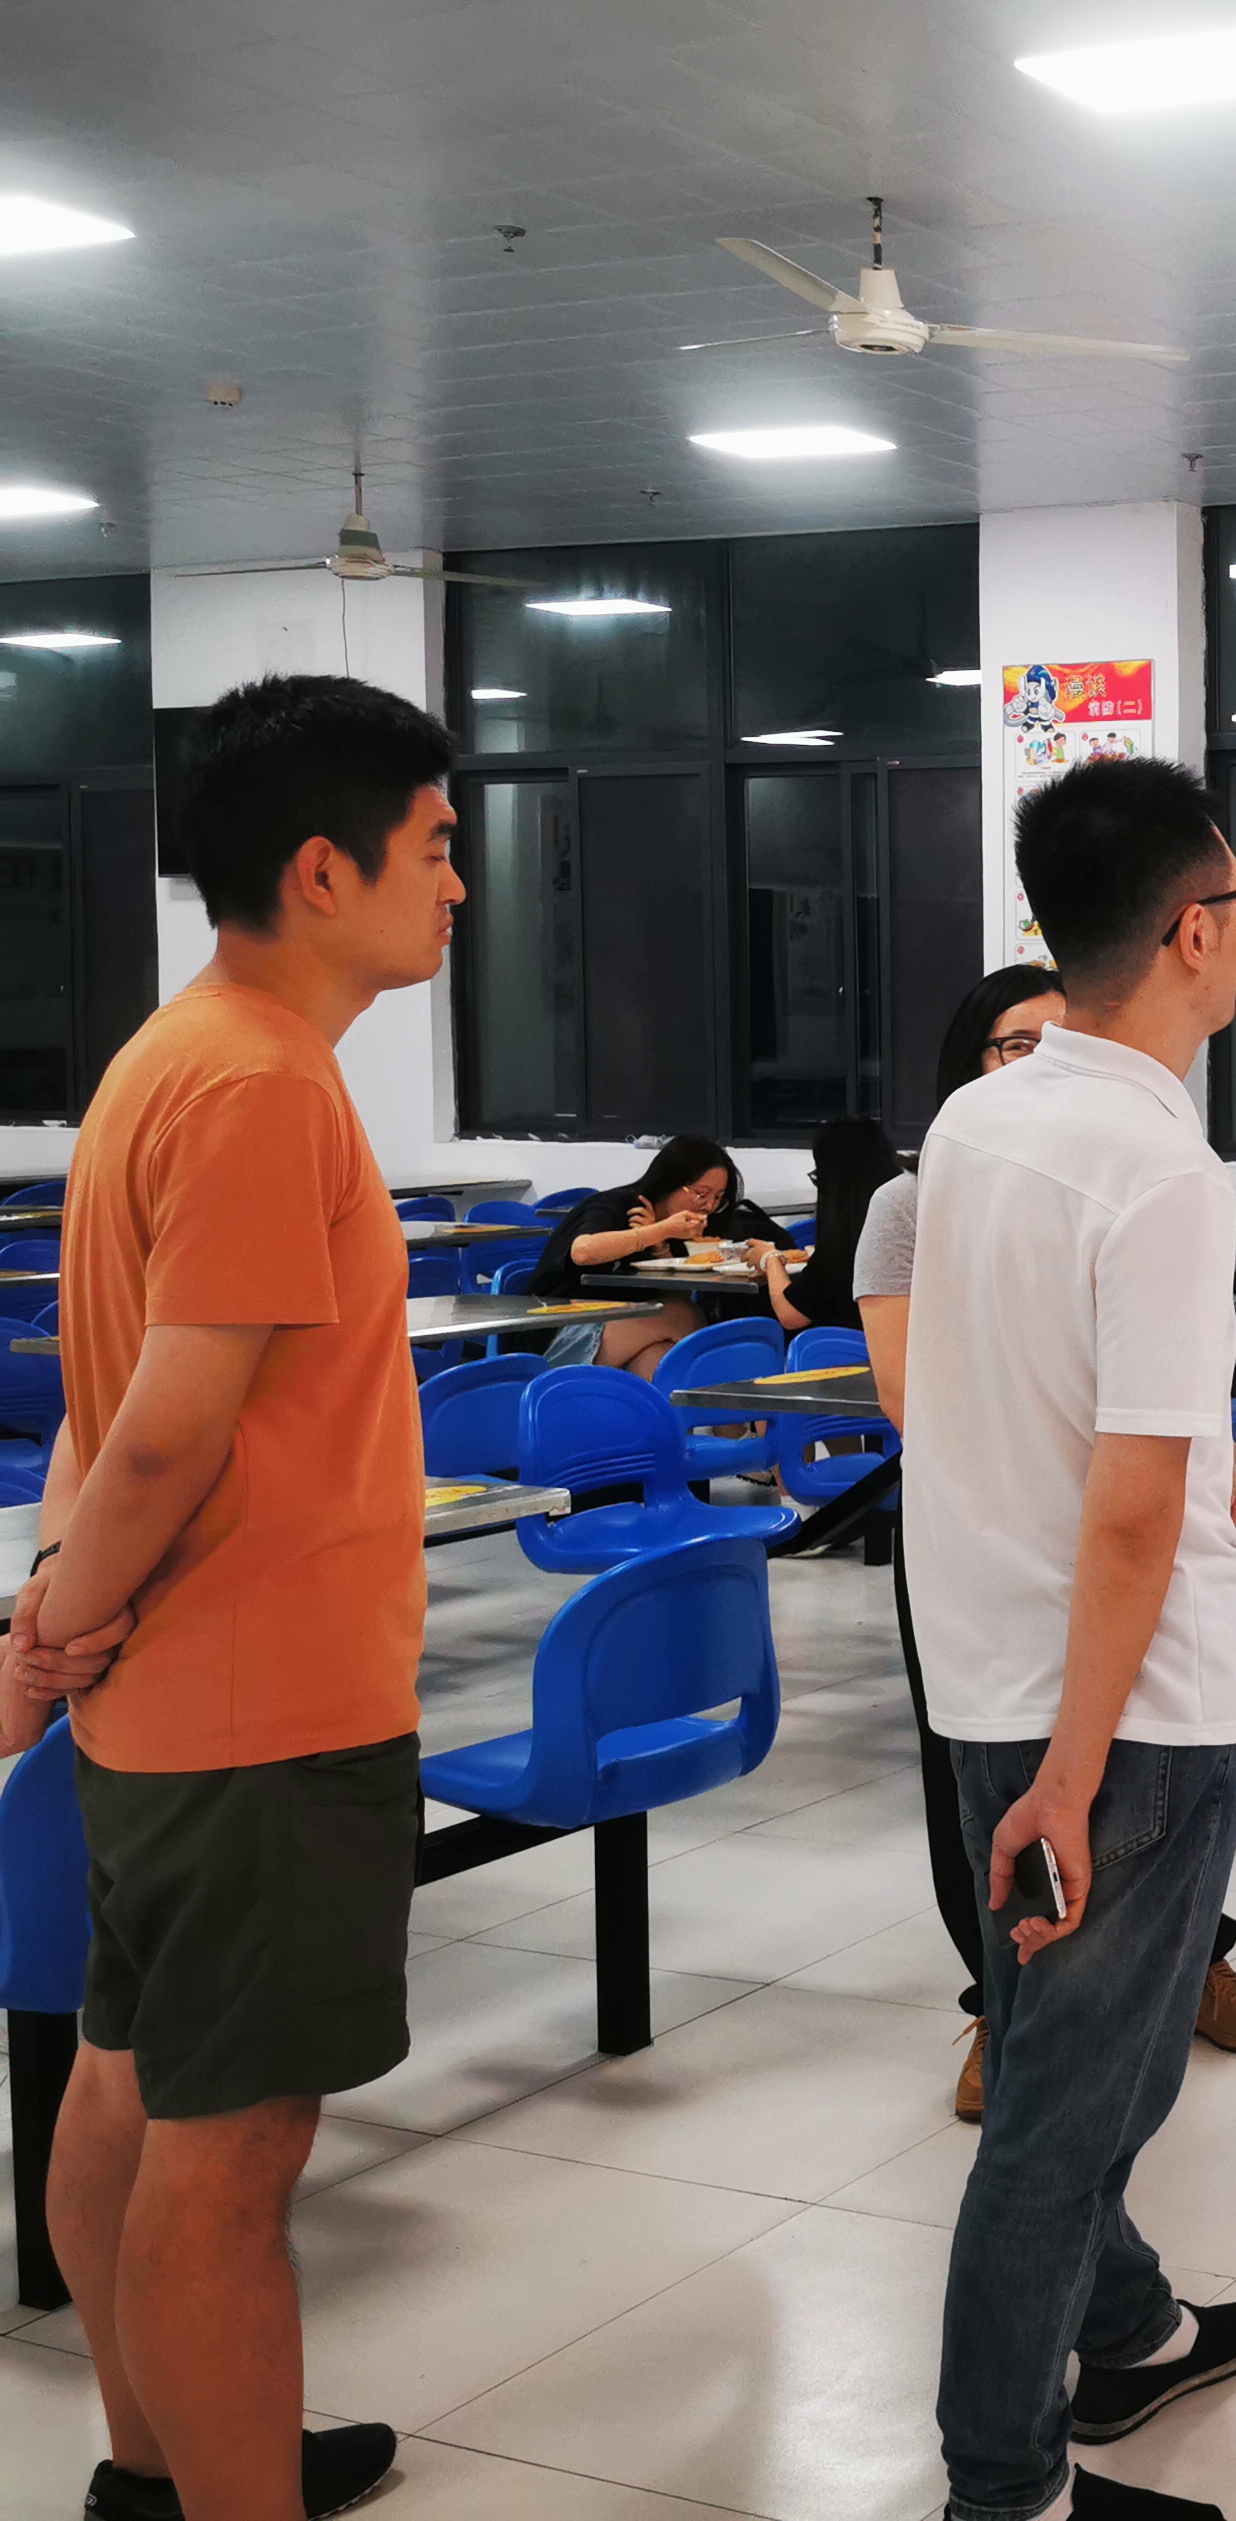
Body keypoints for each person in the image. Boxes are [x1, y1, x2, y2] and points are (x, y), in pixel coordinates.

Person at [0, 675, 466, 2521]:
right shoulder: (264, 1084)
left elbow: (103, 1410)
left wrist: (59, 1611)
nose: (460, 886)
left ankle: (166, 2468)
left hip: (174, 1717)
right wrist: (47, 1637)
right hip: (265, 1724)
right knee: (228, 2166)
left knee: (126, 2088)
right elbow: (166, 1434)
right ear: (323, 870)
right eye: (435, 848)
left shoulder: (169, 1052)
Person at [907, 755, 1236, 2521]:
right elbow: (1134, 1506)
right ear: (1195, 931)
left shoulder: (977, 1123)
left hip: (990, 1672)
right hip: (1125, 1715)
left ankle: (1131, 2334)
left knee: (1069, 2054)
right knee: (1068, 2115)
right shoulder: (1158, 1166)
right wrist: (1076, 1770)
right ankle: (1005, 2483)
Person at [856, 968, 1236, 2121]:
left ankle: (1192, 1961)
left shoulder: (1140, 1167)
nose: (1045, 1064)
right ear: (972, 1061)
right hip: (986, 1537)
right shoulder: (922, 1194)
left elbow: (1162, 1351)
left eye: (1060, 1039)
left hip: (1115, 1522)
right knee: (992, 1780)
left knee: (1143, 1781)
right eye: (1017, 1044)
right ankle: (999, 2007)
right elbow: (910, 1391)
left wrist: (1205, 1447)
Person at [530, 1135, 787, 1376]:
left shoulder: (682, 1230)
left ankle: (680, 1410)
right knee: (684, 1315)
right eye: (701, 1194)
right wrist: (658, 1231)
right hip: (560, 1328)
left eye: (718, 1198)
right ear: (670, 1182)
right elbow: (583, 1252)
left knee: (659, 1358)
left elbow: (673, 1295)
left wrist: (662, 1247)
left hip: (625, 1326)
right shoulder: (613, 1206)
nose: (709, 1206)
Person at [763, 1114, 904, 1336]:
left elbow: (791, 1315)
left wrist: (769, 1258)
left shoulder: (843, 1241)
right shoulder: (904, 1221)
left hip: (848, 1348)